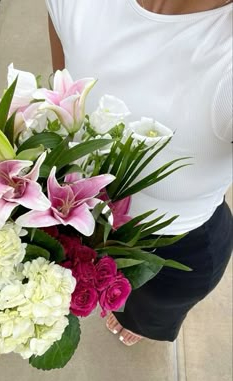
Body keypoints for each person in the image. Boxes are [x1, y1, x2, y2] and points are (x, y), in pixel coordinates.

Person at [45, 0, 233, 346]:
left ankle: (145, 322)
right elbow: (66, 105)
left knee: (154, 311)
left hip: (178, 245)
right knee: (106, 293)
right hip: (86, 220)